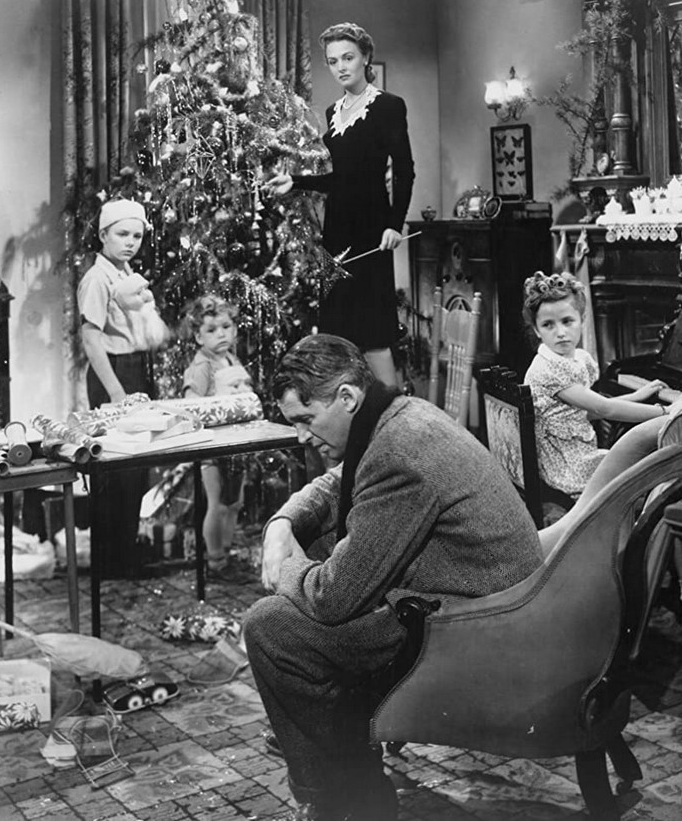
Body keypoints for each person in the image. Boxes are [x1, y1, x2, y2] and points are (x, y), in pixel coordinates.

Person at [243, 333, 543, 821]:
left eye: (305, 419)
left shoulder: (399, 452)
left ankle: (340, 800)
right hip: (474, 598)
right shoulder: (398, 416)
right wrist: (282, 524)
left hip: (477, 628)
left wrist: (285, 568)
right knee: (311, 554)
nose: (300, 436)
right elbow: (336, 483)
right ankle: (342, 755)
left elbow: (332, 598)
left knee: (272, 629)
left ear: (346, 397)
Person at [266, 22, 415, 388]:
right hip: (337, 233)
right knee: (340, 331)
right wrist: (296, 182)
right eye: (333, 61)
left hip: (372, 231)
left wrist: (394, 224)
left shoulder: (388, 106)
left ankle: (393, 411)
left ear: (366, 57)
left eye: (348, 58)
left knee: (374, 333)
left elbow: (405, 171)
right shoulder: (334, 111)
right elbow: (340, 179)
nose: (341, 67)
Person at [522, 270, 670, 497]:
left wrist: (635, 396)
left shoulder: (573, 360)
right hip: (567, 468)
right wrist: (667, 412)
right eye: (548, 325)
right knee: (650, 463)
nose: (560, 332)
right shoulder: (549, 369)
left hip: (574, 458)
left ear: (582, 320)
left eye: (567, 321)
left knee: (647, 462)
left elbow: (585, 412)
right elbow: (603, 409)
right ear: (536, 330)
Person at [77, 198, 158, 577]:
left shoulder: (126, 274)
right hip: (113, 374)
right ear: (103, 234)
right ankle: (109, 561)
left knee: (134, 470)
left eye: (136, 236)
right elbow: (91, 340)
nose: (130, 242)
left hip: (134, 369)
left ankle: (124, 554)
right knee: (115, 469)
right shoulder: (97, 279)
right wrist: (115, 392)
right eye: (122, 234)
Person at [181, 294, 254, 579]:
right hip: (214, 445)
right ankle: (215, 560)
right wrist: (215, 401)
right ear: (199, 337)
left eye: (226, 327)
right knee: (217, 503)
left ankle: (225, 551)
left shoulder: (230, 359)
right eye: (211, 330)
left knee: (234, 502)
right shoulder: (202, 366)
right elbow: (190, 402)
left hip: (237, 440)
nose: (221, 334)